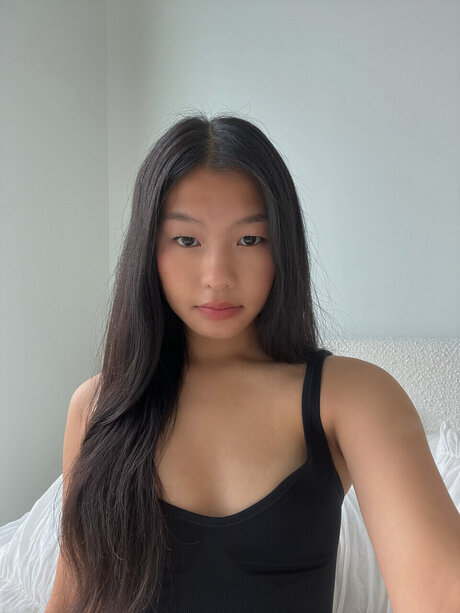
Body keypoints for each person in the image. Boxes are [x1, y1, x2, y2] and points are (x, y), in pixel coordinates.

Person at [44, 113, 460, 613]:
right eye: (187, 240)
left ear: (281, 247)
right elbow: (72, 598)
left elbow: (442, 594)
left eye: (249, 240)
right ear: (148, 250)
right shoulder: (98, 406)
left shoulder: (350, 397)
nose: (218, 276)